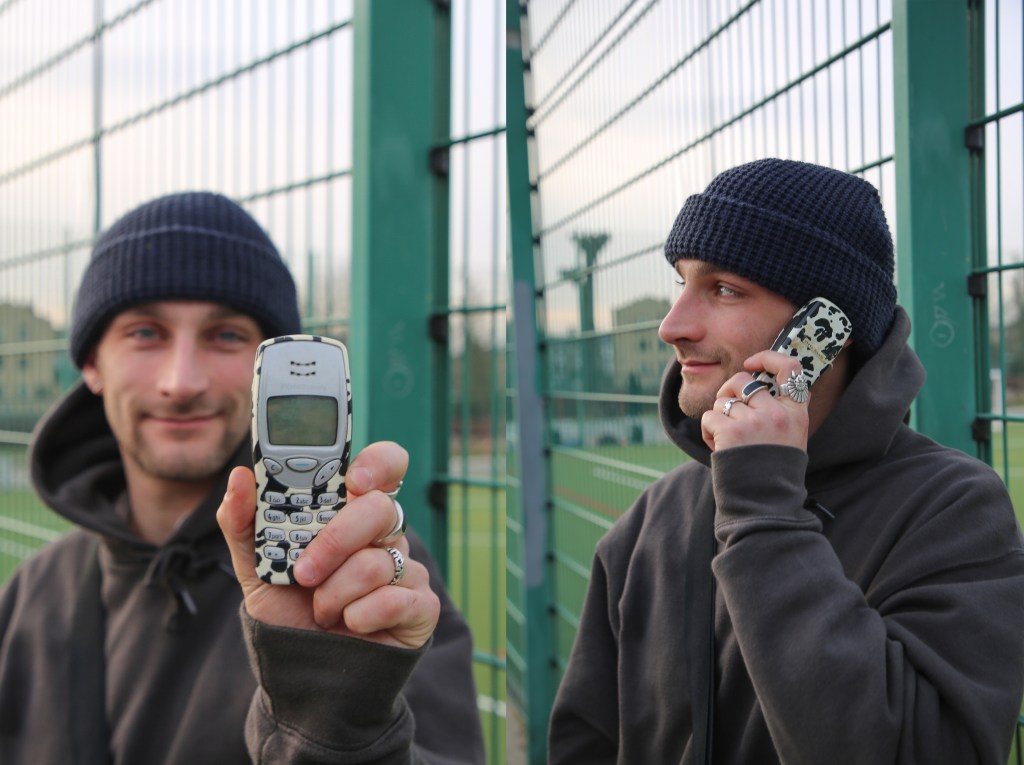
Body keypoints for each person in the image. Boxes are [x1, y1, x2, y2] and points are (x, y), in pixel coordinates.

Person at [548, 158, 1024, 764]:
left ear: (823, 328)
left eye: (723, 289)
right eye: (681, 283)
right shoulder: (649, 523)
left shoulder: (952, 508)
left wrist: (765, 514)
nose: (672, 326)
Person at [0, 191, 484, 763]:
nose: (182, 382)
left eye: (226, 335)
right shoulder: (30, 597)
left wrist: (338, 721)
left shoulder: (368, 580)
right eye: (145, 333)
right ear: (91, 364)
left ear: (269, 370)